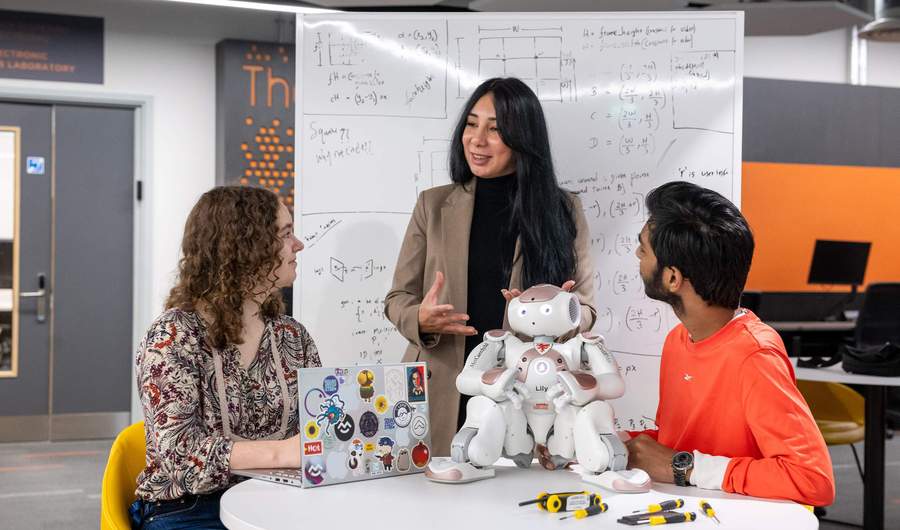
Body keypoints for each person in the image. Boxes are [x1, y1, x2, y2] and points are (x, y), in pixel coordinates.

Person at [384, 77, 597, 456]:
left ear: (523, 139)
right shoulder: (433, 205)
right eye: (471, 124)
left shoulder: (562, 211)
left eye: (495, 129)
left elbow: (587, 309)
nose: (477, 140)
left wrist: (561, 315)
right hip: (439, 388)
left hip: (526, 393)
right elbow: (398, 297)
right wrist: (420, 318)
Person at [624, 181, 835, 506]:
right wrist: (604, 442)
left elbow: (813, 479)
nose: (638, 254)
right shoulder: (678, 340)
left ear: (672, 278)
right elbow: (680, 446)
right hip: (687, 510)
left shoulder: (755, 356)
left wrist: (684, 467)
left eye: (644, 249)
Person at [131, 186, 320, 529]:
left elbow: (316, 429)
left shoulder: (293, 336)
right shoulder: (173, 336)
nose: (298, 244)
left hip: (275, 497)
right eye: (285, 234)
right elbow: (182, 457)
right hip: (189, 508)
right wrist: (282, 452)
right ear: (245, 248)